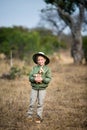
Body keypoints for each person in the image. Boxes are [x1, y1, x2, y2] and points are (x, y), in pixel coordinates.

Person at [27, 52, 51, 123]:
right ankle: (29, 116)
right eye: (39, 60)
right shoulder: (34, 68)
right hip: (34, 88)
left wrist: (42, 79)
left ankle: (38, 117)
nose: (40, 61)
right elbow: (30, 77)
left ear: (45, 60)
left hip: (42, 89)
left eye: (42, 59)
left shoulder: (47, 69)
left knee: (40, 103)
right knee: (32, 102)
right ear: (37, 61)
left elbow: (49, 79)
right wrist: (34, 79)